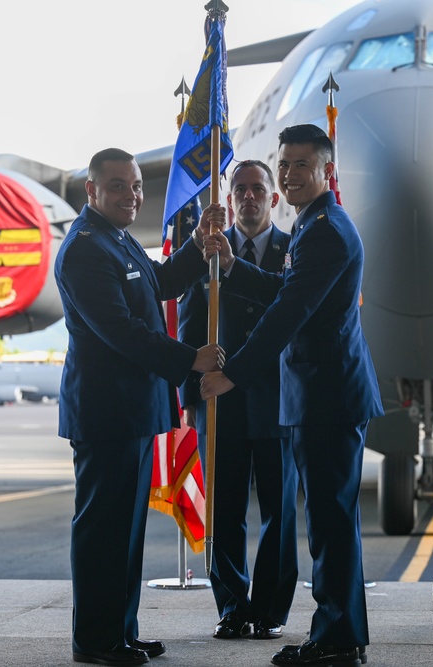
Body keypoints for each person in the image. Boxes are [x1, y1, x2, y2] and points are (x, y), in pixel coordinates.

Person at [201, 125, 383, 667]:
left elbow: (288, 313)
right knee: (332, 523)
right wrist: (234, 269)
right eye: (285, 164)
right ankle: (343, 634)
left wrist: (235, 372)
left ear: (327, 170)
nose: (289, 174)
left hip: (327, 398)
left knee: (330, 525)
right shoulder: (313, 225)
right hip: (323, 396)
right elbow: (286, 290)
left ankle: (336, 640)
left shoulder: (324, 230)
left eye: (302, 165)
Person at [55, 147, 230, 667]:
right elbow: (120, 332)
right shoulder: (85, 249)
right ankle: (95, 639)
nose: (131, 195)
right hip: (107, 414)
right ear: (91, 191)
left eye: (135, 186)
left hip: (131, 412)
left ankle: (120, 632)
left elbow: (162, 283)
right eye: (117, 186)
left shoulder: (118, 241)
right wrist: (189, 359)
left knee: (126, 533)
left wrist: (200, 246)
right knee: (102, 530)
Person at [179, 160, 298, 641]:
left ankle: (267, 609)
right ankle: (231, 605)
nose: (248, 197)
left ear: (274, 199)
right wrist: (190, 395)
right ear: (228, 200)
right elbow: (190, 324)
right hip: (219, 406)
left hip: (278, 400)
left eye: (258, 189)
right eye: (240, 190)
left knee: (279, 513)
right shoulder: (208, 251)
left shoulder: (296, 251)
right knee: (224, 513)